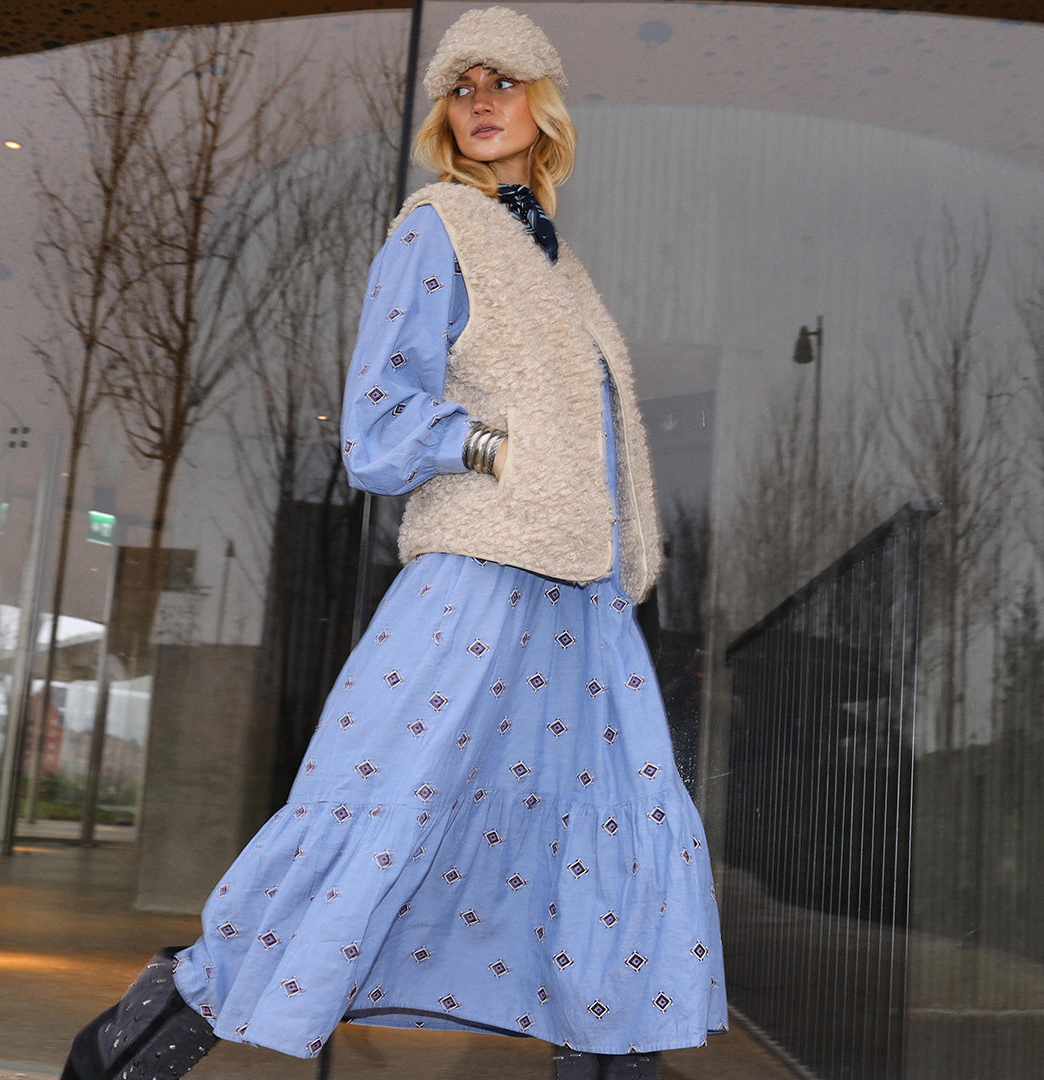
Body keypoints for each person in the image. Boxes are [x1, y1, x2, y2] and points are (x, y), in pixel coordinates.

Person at [59, 8, 727, 1080]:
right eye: (460, 86)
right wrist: (484, 446)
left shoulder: (562, 268)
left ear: (542, 105)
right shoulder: (437, 228)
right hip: (479, 581)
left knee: (605, 835)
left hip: (584, 605)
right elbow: (375, 423)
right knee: (382, 809)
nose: (479, 101)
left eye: (502, 81)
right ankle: (129, 1050)